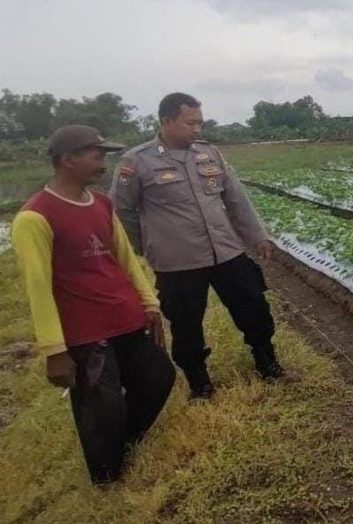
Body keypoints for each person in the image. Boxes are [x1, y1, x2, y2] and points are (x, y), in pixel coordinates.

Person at [11, 125, 176, 485]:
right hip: (86, 332)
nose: (104, 163)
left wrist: (149, 303)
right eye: (97, 155)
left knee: (159, 377)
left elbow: (125, 259)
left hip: (126, 316)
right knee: (101, 408)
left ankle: (125, 445)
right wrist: (54, 350)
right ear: (68, 159)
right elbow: (38, 288)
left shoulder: (101, 203)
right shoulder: (34, 217)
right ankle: (106, 479)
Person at [109, 92, 282, 400]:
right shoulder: (137, 162)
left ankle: (266, 360)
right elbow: (122, 211)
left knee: (253, 305)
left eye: (200, 123)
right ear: (167, 121)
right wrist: (146, 245)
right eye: (190, 123)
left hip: (226, 251)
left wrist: (258, 236)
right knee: (186, 324)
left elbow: (235, 197)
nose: (197, 129)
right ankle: (199, 382)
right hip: (178, 261)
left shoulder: (209, 153)